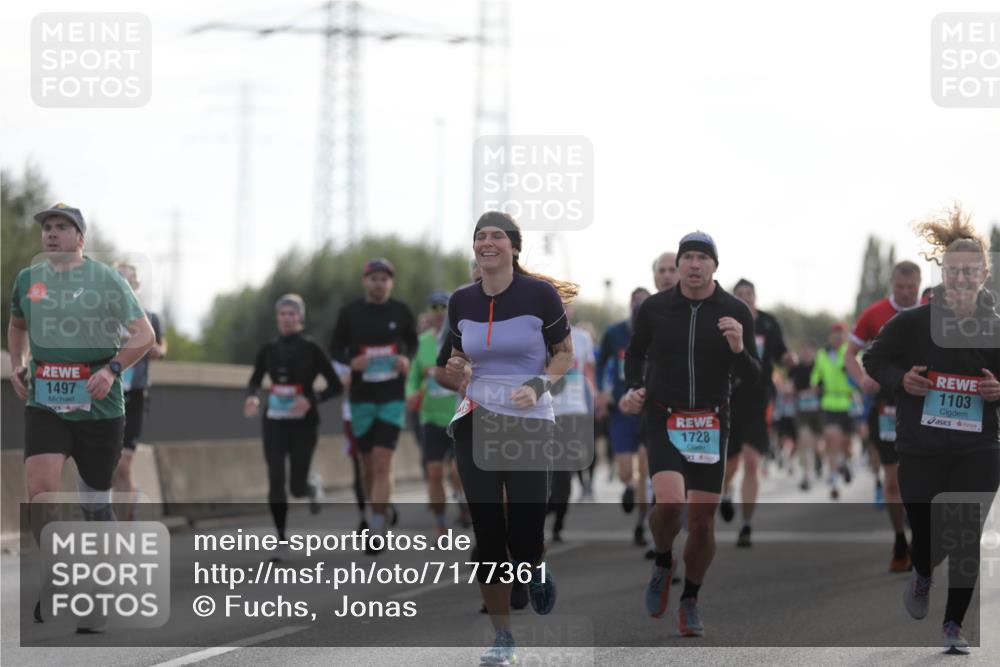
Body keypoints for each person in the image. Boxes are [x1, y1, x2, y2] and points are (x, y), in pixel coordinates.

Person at [8, 203, 155, 628]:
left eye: (61, 227)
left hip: (99, 407)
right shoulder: (28, 280)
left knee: (94, 505)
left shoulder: (105, 280)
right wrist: (18, 362)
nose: (51, 234)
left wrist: (111, 372)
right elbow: (17, 324)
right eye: (47, 228)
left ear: (80, 238)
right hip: (45, 403)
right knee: (40, 494)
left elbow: (143, 336)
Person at [863, 204, 1000, 654]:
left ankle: (953, 624)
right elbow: (874, 359)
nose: (961, 279)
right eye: (954, 271)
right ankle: (922, 572)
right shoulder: (912, 322)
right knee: (924, 531)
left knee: (964, 532)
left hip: (977, 447)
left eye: (971, 271)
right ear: (943, 272)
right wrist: (901, 380)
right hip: (920, 446)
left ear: (983, 274)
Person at [441, 211, 576, 665]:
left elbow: (565, 355)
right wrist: (458, 370)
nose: (487, 241)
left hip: (529, 420)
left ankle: (534, 563)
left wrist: (538, 385)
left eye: (497, 235)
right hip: (476, 419)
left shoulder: (539, 296)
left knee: (523, 532)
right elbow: (454, 360)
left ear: (514, 247)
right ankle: (502, 638)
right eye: (480, 235)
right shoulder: (461, 301)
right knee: (487, 531)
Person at [620, 231, 760, 637]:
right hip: (664, 418)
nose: (694, 264)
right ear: (678, 265)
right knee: (668, 505)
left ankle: (691, 599)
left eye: (703, 258)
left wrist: (737, 346)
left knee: (701, 524)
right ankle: (664, 560)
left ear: (715, 266)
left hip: (711, 424)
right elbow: (635, 353)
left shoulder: (735, 311)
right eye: (688, 258)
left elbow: (751, 377)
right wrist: (633, 388)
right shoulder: (656, 308)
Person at [244, 294, 342, 558]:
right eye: (282, 314)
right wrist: (252, 397)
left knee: (296, 487)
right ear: (277, 318)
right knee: (276, 478)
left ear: (300, 318)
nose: (287, 319)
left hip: (303, 425)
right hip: (274, 422)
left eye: (292, 314)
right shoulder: (269, 350)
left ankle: (310, 484)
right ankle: (281, 539)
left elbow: (336, 385)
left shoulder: (311, 349)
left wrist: (310, 400)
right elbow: (254, 380)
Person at [330, 258, 418, 553]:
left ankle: (377, 527)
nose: (379, 283)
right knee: (367, 465)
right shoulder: (350, 313)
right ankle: (377, 510)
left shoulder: (401, 311)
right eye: (374, 278)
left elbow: (412, 344)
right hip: (361, 398)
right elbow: (335, 349)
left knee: (383, 461)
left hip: (391, 397)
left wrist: (406, 359)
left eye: (384, 279)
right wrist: (350, 362)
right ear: (364, 281)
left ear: (391, 283)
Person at [845, 260, 922, 572]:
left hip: (921, 403)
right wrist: (861, 378)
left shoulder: (930, 311)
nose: (905, 294)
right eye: (900, 288)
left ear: (918, 286)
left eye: (911, 288)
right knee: (893, 480)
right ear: (892, 285)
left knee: (920, 479)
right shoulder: (874, 314)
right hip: (885, 406)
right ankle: (899, 538)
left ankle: (920, 536)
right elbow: (850, 353)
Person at [720, 278, 794, 546]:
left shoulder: (768, 323)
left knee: (752, 461)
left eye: (748, 294)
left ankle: (746, 524)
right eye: (739, 294)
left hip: (758, 401)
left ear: (755, 297)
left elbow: (782, 353)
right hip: (729, 401)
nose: (744, 298)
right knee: (730, 465)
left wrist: (789, 361)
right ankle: (725, 491)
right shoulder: (723, 321)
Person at [596, 287, 652, 547]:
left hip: (648, 409)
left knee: (645, 464)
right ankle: (628, 487)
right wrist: (600, 392)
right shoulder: (615, 333)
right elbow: (600, 361)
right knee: (625, 471)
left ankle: (642, 523)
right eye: (635, 303)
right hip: (621, 408)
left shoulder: (658, 330)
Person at [112, 262, 167, 519]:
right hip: (108, 394)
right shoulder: (105, 318)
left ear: (135, 285)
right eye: (117, 278)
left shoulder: (150, 318)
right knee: (111, 465)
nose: (122, 284)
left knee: (123, 464)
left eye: (127, 280)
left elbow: (162, 347)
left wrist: (157, 350)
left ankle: (125, 513)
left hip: (134, 395)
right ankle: (124, 509)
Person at [406, 290, 463, 536]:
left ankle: (463, 503)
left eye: (444, 308)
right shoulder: (423, 343)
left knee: (457, 472)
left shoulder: (461, 339)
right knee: (434, 473)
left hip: (458, 415)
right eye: (435, 308)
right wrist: (410, 392)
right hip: (430, 417)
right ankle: (441, 522)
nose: (439, 313)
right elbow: (413, 378)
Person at [548, 306, 596, 542]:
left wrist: (593, 400)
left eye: (565, 307)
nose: (561, 311)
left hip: (574, 410)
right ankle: (546, 510)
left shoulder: (582, 337)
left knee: (563, 468)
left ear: (571, 310)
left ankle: (558, 522)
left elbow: (588, 372)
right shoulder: (538, 336)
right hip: (543, 410)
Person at [810, 322, 855, 499]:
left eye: (841, 334)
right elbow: (815, 374)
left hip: (847, 402)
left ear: (845, 336)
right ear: (830, 336)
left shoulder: (851, 352)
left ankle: (846, 461)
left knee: (846, 443)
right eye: (835, 334)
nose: (837, 337)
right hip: (828, 402)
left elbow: (860, 372)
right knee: (831, 438)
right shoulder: (822, 354)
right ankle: (834, 478)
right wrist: (815, 384)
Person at [787, 341, 824, 490]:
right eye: (804, 350)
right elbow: (789, 386)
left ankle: (819, 458)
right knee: (804, 441)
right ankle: (806, 476)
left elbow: (826, 385)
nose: (806, 353)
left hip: (818, 411)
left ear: (814, 352)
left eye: (809, 350)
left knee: (816, 443)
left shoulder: (819, 367)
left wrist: (817, 391)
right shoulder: (796, 369)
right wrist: (791, 391)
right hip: (802, 412)